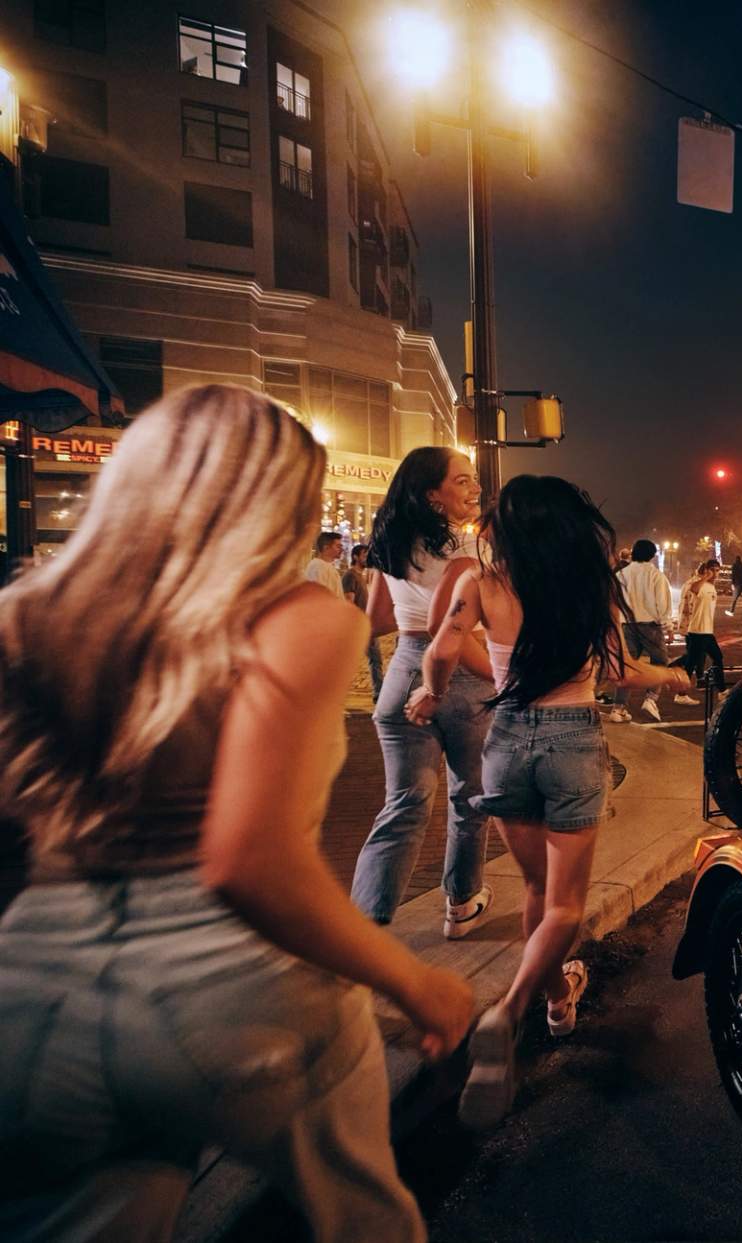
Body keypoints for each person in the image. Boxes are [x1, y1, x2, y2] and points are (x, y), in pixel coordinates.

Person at [0, 385, 473, 1243]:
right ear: (279, 504)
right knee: (365, 1218)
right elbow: (248, 858)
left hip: (33, 989)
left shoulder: (26, 620)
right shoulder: (296, 621)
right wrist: (411, 980)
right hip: (228, 985)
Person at [405, 475, 690, 1128]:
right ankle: (507, 1011)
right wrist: (670, 674)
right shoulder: (589, 587)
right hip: (572, 738)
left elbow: (442, 649)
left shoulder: (483, 583)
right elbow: (619, 672)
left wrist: (427, 692)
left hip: (505, 741)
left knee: (537, 892)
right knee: (564, 905)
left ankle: (558, 996)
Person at [350, 447, 496, 938]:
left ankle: (364, 928)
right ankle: (461, 903)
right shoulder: (470, 551)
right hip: (465, 675)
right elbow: (455, 635)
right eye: (462, 481)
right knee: (471, 797)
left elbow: (378, 620)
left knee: (404, 803)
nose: (475, 488)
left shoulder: (389, 543)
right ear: (432, 494)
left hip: (402, 673)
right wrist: (502, 679)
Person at [613, 538, 673, 722]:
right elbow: (663, 603)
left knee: (627, 667)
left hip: (627, 625)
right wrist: (668, 626)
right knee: (661, 661)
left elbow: (614, 602)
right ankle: (651, 698)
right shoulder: (656, 575)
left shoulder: (621, 575)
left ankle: (618, 708)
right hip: (650, 626)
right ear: (652, 555)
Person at [678, 559, 724, 699]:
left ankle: (721, 690)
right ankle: (681, 693)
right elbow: (694, 589)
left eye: (718, 570)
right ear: (707, 570)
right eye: (715, 570)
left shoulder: (711, 587)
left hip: (706, 631)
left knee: (717, 657)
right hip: (698, 631)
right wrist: (705, 576)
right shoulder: (700, 584)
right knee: (691, 663)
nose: (717, 573)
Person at [344, 542, 384, 693]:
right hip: (359, 626)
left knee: (375, 659)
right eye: (365, 555)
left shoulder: (361, 575)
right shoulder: (350, 576)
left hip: (367, 624)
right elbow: (349, 602)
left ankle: (378, 692)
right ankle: (378, 692)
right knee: (369, 659)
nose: (368, 558)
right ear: (355, 556)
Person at [306, 530, 345, 597]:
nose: (342, 550)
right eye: (338, 547)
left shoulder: (326, 566)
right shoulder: (317, 567)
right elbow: (318, 597)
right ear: (326, 547)